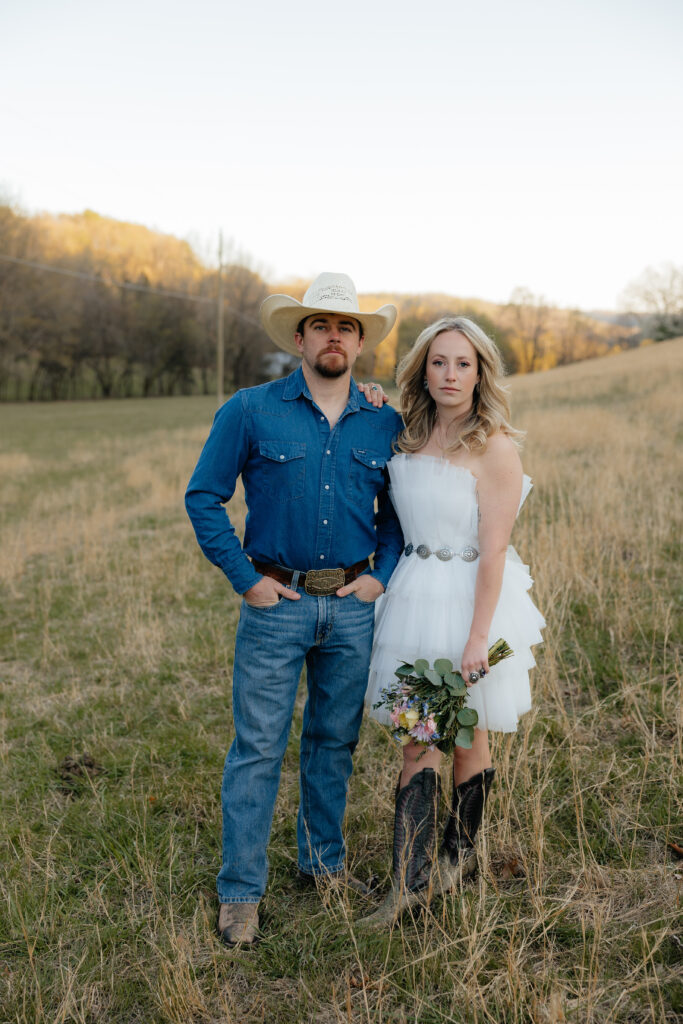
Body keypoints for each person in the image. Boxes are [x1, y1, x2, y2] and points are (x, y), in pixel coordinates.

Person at [185, 272, 403, 946]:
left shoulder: (384, 420)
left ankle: (323, 865)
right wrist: (244, 578)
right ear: (300, 338)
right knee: (257, 747)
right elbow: (203, 497)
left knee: (332, 743)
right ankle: (240, 892)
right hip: (274, 601)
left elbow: (398, 516)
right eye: (320, 325)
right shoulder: (250, 409)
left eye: (346, 326)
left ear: (359, 342)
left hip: (351, 607)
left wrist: (382, 575)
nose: (333, 336)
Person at [358, 316, 545, 927]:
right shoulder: (406, 433)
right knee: (463, 735)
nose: (450, 374)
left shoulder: (494, 447)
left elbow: (493, 549)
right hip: (412, 594)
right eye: (439, 362)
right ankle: (447, 864)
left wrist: (476, 638)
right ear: (423, 368)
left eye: (463, 363)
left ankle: (420, 881)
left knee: (424, 743)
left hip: (469, 601)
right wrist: (372, 401)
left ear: (480, 372)